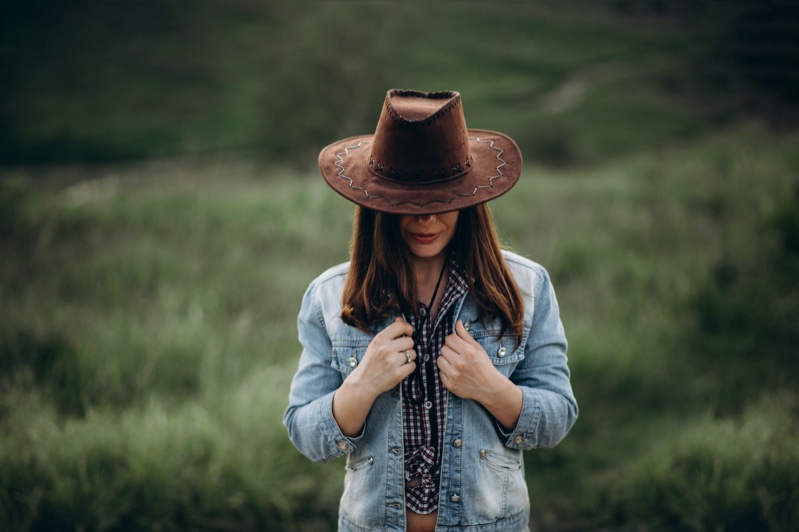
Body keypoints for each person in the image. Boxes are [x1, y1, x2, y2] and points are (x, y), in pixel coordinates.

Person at [283, 89, 577, 532]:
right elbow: (304, 432)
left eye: (442, 202)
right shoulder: (330, 296)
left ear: (469, 200)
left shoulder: (527, 287)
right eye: (408, 204)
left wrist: (491, 387)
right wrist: (362, 384)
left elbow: (558, 416)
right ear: (378, 206)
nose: (426, 220)